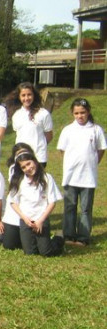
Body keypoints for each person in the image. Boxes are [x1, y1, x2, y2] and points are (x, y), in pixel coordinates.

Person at [57, 98, 106, 247]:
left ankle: (83, 237)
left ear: (88, 112)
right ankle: (69, 235)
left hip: (88, 177)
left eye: (82, 112)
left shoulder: (95, 130)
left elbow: (101, 149)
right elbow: (62, 149)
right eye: (76, 113)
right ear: (72, 113)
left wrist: (92, 162)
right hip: (71, 176)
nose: (80, 116)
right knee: (70, 206)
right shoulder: (68, 130)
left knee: (85, 209)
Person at [9, 151, 63, 256]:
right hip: (26, 220)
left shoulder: (47, 178)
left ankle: (58, 239)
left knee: (46, 252)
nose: (28, 168)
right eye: (23, 167)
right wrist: (24, 218)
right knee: (30, 253)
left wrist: (41, 220)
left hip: (41, 219)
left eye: (29, 164)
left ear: (35, 161)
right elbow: (13, 202)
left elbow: (52, 202)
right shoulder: (19, 181)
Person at [4, 82, 53, 167]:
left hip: (38, 157)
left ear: (34, 95)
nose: (26, 98)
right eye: (23, 95)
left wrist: (40, 145)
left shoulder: (43, 113)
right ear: (19, 97)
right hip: (21, 156)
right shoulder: (16, 115)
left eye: (29, 94)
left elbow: (49, 136)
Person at [1, 143, 34, 251]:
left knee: (30, 247)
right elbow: (13, 198)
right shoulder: (13, 170)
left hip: (31, 215)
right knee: (9, 245)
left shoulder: (39, 173)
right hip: (14, 215)